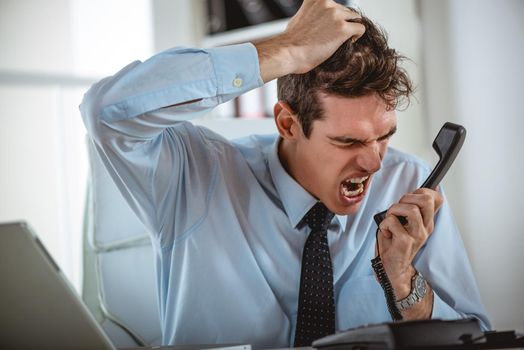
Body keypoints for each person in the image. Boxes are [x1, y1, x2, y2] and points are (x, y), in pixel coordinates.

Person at [81, 0, 490, 348]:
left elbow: (482, 338)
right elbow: (106, 113)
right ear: (288, 124)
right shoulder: (196, 175)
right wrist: (289, 48)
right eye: (348, 142)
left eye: (383, 137)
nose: (375, 164)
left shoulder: (409, 183)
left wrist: (405, 284)